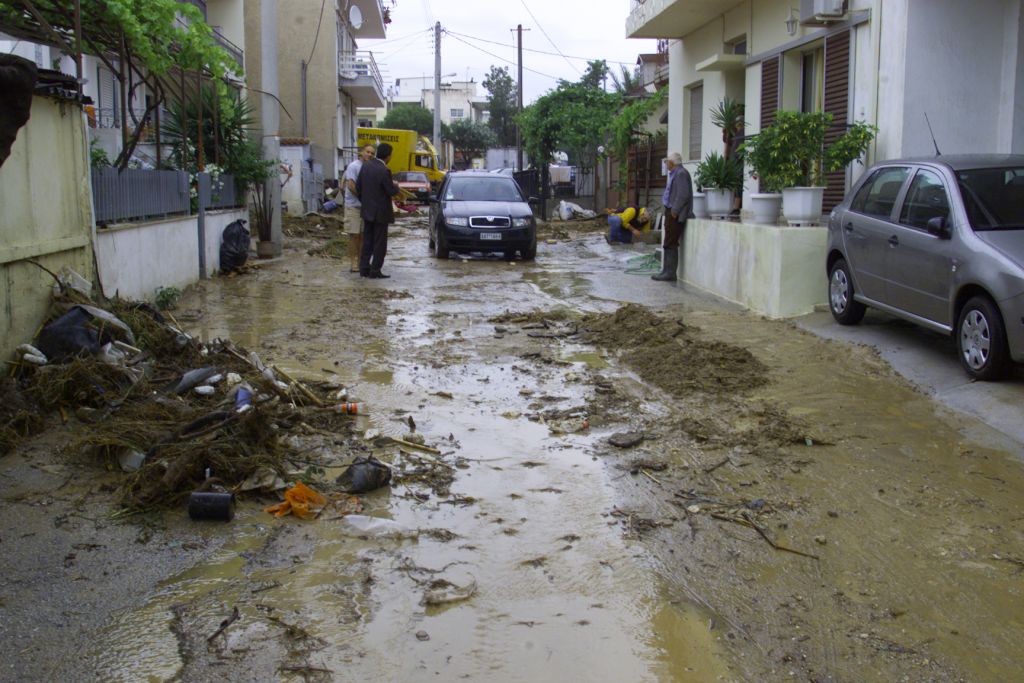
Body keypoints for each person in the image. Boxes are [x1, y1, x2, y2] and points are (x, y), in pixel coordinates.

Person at [355, 142, 400, 278]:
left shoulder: (365, 166)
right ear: (388, 156)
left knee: (367, 240)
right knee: (380, 243)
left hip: (367, 211)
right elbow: (390, 191)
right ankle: (375, 270)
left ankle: (363, 269)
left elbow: (358, 188)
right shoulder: (384, 170)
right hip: (381, 213)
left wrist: (366, 202)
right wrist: (396, 186)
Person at [653, 152, 693, 282]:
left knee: (671, 242)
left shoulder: (681, 173)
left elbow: (683, 194)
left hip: (675, 213)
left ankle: (670, 273)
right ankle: (666, 270)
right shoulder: (675, 173)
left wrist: (675, 210)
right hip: (670, 211)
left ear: (672, 162)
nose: (666, 164)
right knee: (668, 241)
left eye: (667, 161)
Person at [342, 144, 375, 272]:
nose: (370, 155)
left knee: (363, 236)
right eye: (368, 152)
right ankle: (353, 263)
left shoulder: (370, 167)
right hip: (353, 206)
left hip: (364, 207)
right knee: (354, 235)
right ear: (361, 152)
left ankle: (362, 262)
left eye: (372, 153)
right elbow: (351, 185)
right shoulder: (354, 166)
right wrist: (363, 198)